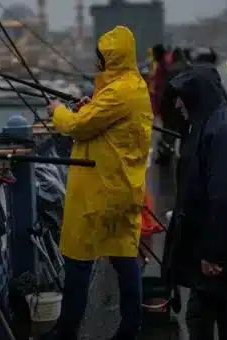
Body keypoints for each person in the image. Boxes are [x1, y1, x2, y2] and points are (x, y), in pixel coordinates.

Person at [44, 25, 153, 340]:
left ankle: (66, 331)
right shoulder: (132, 86)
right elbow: (103, 119)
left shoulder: (119, 92)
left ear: (111, 59)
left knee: (78, 261)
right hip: (123, 187)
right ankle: (130, 328)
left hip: (100, 192)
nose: (97, 64)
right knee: (123, 258)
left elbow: (79, 127)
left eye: (101, 58)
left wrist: (58, 111)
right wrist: (88, 105)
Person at [161, 68, 227, 340]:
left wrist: (214, 253)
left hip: (217, 247)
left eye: (182, 98)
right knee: (223, 310)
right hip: (212, 244)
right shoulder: (207, 127)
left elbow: (224, 197)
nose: (178, 103)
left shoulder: (223, 132)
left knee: (200, 315)